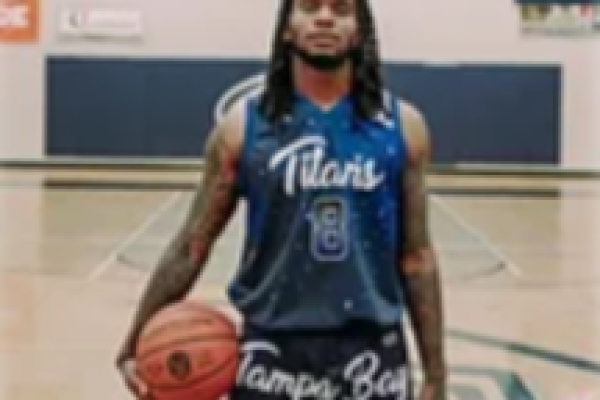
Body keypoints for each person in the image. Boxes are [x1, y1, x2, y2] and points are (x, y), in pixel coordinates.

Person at [116, 0, 447, 399]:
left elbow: (417, 258)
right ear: (286, 27)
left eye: (341, 9)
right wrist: (136, 339)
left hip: (372, 359)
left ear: (360, 30)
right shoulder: (242, 130)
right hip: (270, 358)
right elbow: (192, 245)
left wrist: (435, 374)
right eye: (309, 7)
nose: (324, 18)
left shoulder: (402, 128)